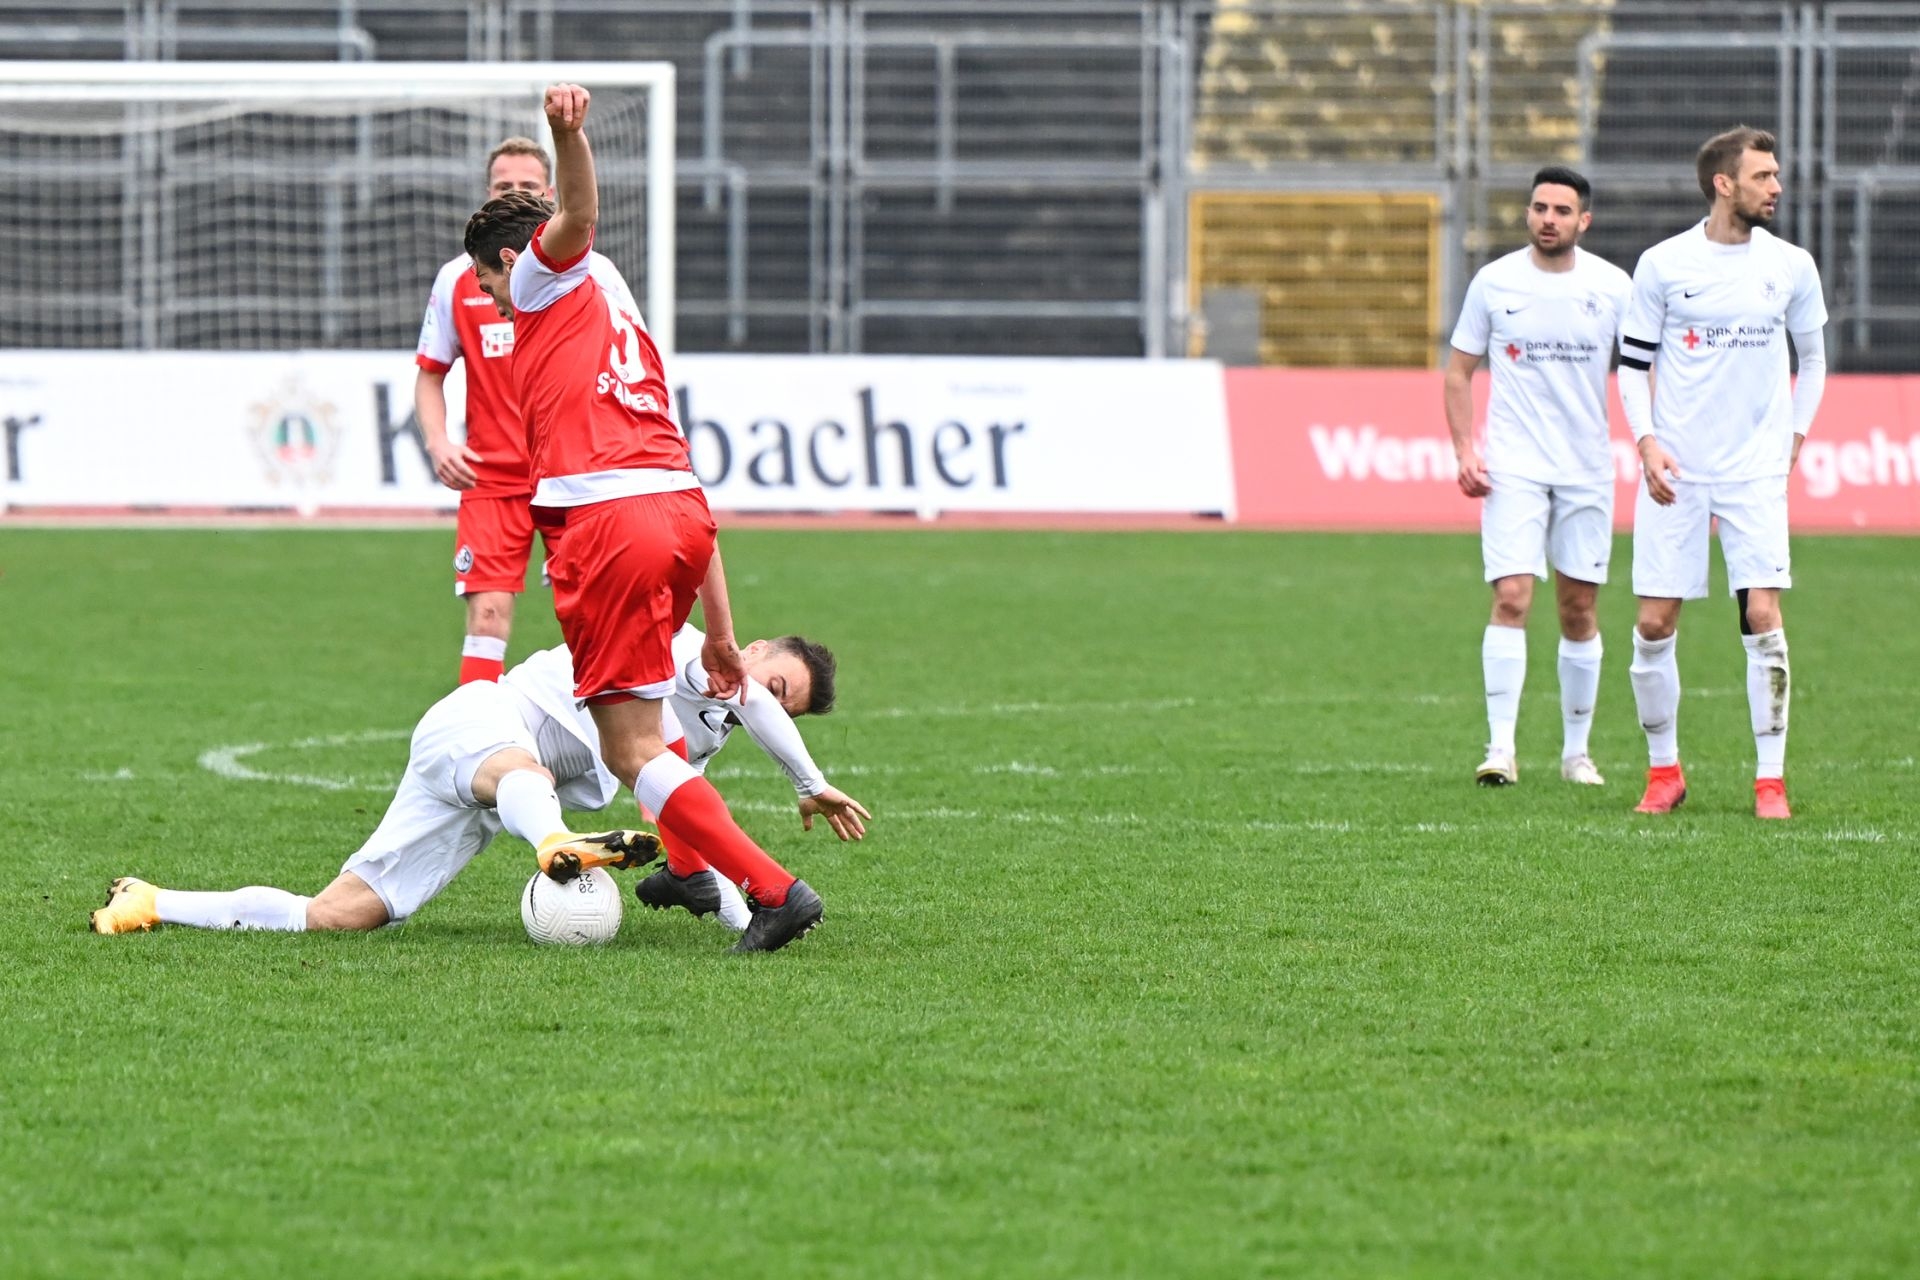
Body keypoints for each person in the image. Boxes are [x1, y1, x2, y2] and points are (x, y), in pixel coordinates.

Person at [462, 83, 825, 951]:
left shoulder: (548, 272)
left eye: (488, 284)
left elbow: (575, 214)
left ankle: (772, 890)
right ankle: (702, 877)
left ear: (515, 261)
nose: (496, 304)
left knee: (631, 751)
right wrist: (726, 633)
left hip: (609, 521)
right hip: (677, 506)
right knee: (654, 741)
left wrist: (564, 136)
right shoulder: (613, 291)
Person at [87, 638, 868, 936]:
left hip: (475, 802)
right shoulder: (696, 653)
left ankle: (153, 901)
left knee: (339, 917)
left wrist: (741, 922)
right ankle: (558, 844)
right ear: (755, 649)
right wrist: (811, 780)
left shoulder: (694, 742)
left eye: (780, 700)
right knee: (525, 775)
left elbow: (694, 829)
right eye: (773, 680)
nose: (760, 699)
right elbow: (751, 698)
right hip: (485, 725)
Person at [1616, 126, 1827, 819]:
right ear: (1723, 184)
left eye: (1776, 174)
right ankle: (1663, 773)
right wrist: (1646, 443)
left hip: (1754, 471)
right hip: (1676, 469)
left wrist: (1794, 436)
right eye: (1763, 175)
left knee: (1763, 614)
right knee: (1653, 623)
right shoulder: (1663, 264)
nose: (1777, 186)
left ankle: (1771, 782)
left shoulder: (1791, 264)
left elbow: (1813, 360)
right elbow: (1634, 367)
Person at [413, 137, 639, 685]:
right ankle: (478, 744)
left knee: (587, 615)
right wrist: (439, 442)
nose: (514, 193)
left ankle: (600, 751)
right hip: (492, 477)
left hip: (573, 472)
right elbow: (430, 372)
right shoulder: (459, 277)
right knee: (487, 615)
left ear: (551, 194)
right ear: (487, 194)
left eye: (527, 186)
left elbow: (631, 358)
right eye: (502, 186)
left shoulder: (590, 272)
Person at [1444, 165, 1632, 788]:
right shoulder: (1494, 281)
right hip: (1515, 468)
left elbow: (1641, 369)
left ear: (1585, 220)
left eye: (1561, 210)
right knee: (1512, 597)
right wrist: (1466, 449)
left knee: (1579, 609)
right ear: (1527, 214)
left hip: (1585, 469)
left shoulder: (1613, 286)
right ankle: (1500, 750)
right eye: (1539, 208)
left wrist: (1654, 439)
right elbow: (1458, 371)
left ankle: (1577, 754)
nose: (1548, 219)